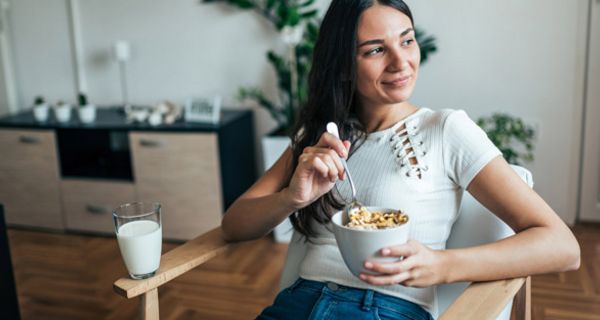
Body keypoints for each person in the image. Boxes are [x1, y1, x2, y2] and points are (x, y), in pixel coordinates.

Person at [222, 0, 581, 319]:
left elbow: (562, 247)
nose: (401, 62)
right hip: (295, 304)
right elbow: (234, 226)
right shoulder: (319, 138)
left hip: (383, 309)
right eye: (376, 50)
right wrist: (292, 198)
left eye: (407, 40)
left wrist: (442, 265)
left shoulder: (445, 130)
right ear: (344, 64)